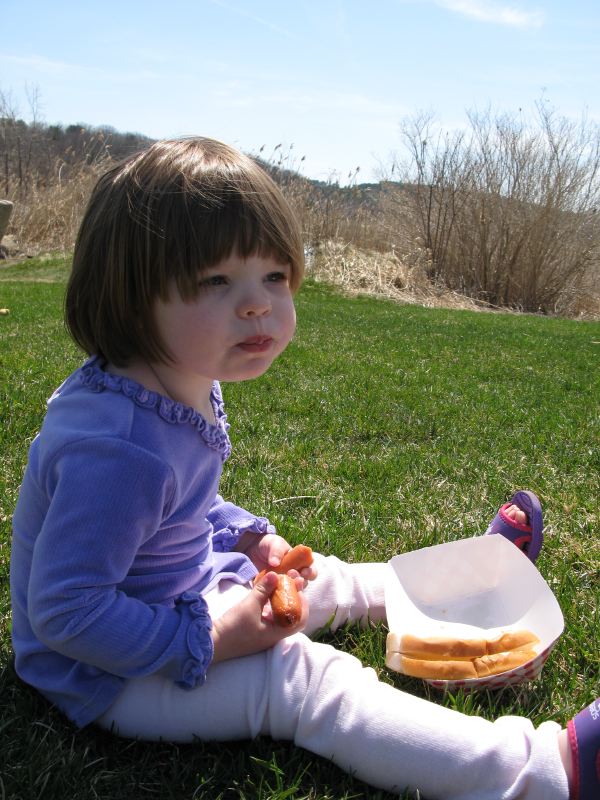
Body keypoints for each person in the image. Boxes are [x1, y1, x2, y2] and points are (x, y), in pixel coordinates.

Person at [9, 137, 598, 800]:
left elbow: (180, 504)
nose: (258, 304)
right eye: (216, 281)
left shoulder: (178, 376)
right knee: (302, 681)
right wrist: (211, 637)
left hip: (184, 591)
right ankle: (549, 771)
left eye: (275, 277)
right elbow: (65, 613)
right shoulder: (114, 448)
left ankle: (475, 571)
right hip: (104, 675)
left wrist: (246, 536)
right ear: (130, 294)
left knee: (326, 580)